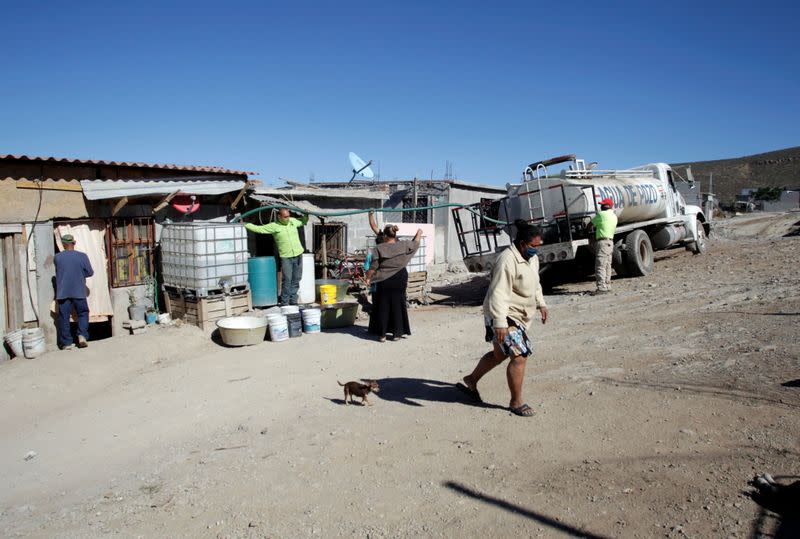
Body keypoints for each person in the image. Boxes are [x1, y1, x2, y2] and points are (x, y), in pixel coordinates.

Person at [460, 220, 549, 417]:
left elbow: (536, 283)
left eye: (539, 246)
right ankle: (516, 402)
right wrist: (500, 323)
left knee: (500, 355)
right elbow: (498, 293)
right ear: (522, 243)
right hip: (502, 314)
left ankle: (471, 380)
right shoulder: (507, 260)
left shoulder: (530, 258)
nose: (537, 250)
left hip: (518, 315)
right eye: (534, 246)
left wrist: (541, 303)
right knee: (519, 355)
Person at [364, 225, 422, 342]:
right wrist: (419, 233)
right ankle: (397, 334)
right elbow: (415, 244)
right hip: (400, 279)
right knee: (398, 305)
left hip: (384, 280)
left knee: (383, 306)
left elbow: (373, 267)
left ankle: (382, 335)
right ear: (394, 234)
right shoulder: (404, 245)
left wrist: (368, 278)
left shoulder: (379, 248)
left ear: (385, 236)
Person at [245, 208, 309, 305]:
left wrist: (306, 215)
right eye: (285, 217)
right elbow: (260, 229)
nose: (288, 218)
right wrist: (246, 224)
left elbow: (303, 222)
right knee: (287, 279)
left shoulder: (292, 221)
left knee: (296, 278)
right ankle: (285, 302)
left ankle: (293, 301)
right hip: (286, 256)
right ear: (279, 217)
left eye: (288, 216)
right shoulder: (274, 226)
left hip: (298, 254)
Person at [54, 234, 94, 350]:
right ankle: (82, 336)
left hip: (63, 293)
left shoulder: (57, 257)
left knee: (64, 317)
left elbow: (59, 271)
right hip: (79, 291)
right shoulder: (82, 256)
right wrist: (81, 275)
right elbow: (90, 272)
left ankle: (66, 343)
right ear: (74, 243)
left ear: (63, 244)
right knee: (83, 313)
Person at [591, 197, 618, 294]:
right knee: (607, 265)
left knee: (600, 265)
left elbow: (591, 224)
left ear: (605, 206)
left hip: (602, 242)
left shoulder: (601, 214)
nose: (601, 206)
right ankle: (607, 285)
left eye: (602, 204)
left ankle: (601, 288)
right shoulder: (614, 216)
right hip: (610, 242)